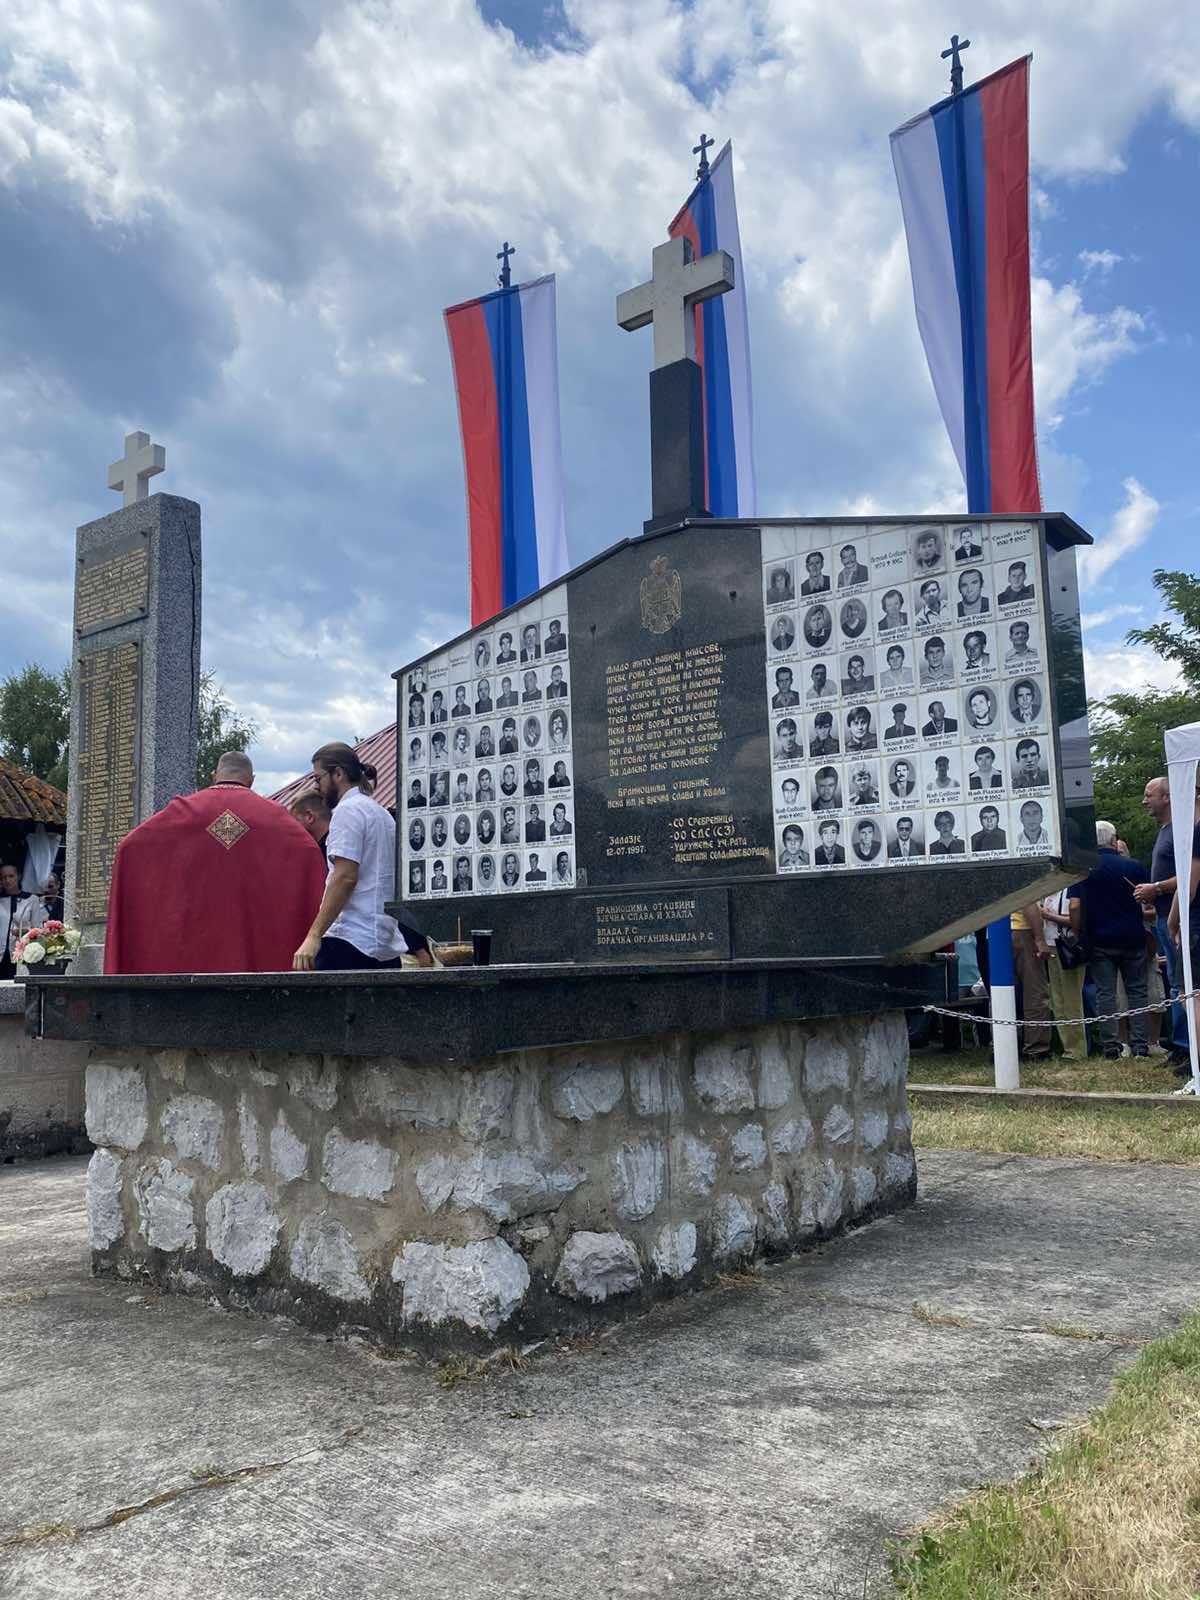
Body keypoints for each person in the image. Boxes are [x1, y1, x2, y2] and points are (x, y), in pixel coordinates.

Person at [106, 752, 325, 975]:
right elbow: (308, 853)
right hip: (258, 966)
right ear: (251, 780)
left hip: (190, 960)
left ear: (214, 776)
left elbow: (129, 847)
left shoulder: (182, 811)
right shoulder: (275, 818)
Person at [292, 744, 413, 972]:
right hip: (384, 943)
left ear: (338, 774)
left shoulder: (347, 811)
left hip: (348, 940)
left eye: (318, 779)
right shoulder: (382, 814)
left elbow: (345, 877)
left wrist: (314, 935)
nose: (317, 788)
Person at [1070, 820, 1152, 1059]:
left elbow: (1074, 906)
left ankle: (1111, 1047)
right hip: (1133, 937)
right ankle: (1140, 1047)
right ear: (1114, 840)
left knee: (1106, 994)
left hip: (1099, 940)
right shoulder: (1133, 866)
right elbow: (1147, 900)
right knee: (1137, 992)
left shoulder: (1083, 870)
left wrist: (1079, 933)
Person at [1134, 776, 1192, 1071]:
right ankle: (1180, 1043)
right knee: (1173, 982)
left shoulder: (1182, 830)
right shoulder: (1165, 831)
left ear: (1167, 798)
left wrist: (1155, 888)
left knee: (1183, 984)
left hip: (1178, 918)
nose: (1144, 801)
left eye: (1149, 795)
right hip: (1164, 916)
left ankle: (1187, 1047)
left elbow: (1187, 873)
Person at [1040, 886, 1088, 1061]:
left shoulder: (1069, 891)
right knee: (1058, 1000)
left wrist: (1047, 915)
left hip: (1066, 948)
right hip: (1051, 946)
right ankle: (1067, 1047)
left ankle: (1077, 1049)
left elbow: (1075, 920)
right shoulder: (1048, 893)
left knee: (1071, 999)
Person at [1, 863, 44, 980]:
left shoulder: (31, 899)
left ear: (18, 876)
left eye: (11, 876)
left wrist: (27, 932)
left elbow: (38, 929)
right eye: (3, 877)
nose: (7, 880)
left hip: (21, 952)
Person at [289, 791, 333, 859]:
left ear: (310, 816)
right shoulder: (344, 837)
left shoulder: (320, 856)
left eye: (296, 822)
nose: (295, 829)